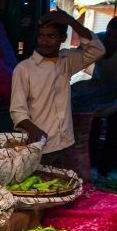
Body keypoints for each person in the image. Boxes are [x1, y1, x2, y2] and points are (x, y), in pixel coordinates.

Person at [10, 9, 105, 167]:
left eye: (51, 36)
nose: (44, 41)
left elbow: (98, 50)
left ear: (63, 38)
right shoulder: (24, 69)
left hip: (65, 143)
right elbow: (17, 110)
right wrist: (34, 130)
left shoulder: (67, 60)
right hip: (39, 146)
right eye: (41, 36)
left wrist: (72, 21)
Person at [81, 17, 117, 177]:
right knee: (93, 124)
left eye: (115, 37)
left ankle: (106, 168)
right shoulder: (98, 39)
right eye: (109, 34)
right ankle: (90, 162)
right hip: (99, 82)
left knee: (114, 127)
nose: (110, 39)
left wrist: (109, 96)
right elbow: (82, 58)